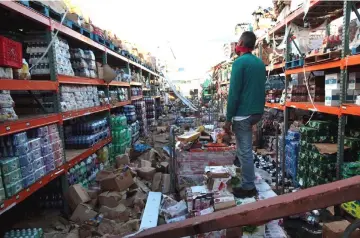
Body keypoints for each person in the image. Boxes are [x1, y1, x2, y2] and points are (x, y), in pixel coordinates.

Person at [223, 31, 266, 198]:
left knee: (245, 151)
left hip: (243, 114)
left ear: (241, 43)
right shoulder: (259, 63)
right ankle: (245, 176)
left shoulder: (239, 63)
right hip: (257, 112)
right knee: (244, 150)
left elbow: (234, 93)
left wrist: (228, 119)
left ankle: (248, 186)